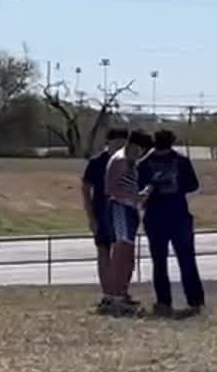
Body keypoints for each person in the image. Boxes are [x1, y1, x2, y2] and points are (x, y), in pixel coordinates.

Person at [137, 128, 204, 317]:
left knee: (159, 262)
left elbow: (138, 188)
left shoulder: (144, 163)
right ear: (172, 142)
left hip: (155, 217)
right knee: (187, 260)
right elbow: (193, 185)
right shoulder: (182, 161)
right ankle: (195, 301)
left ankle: (164, 302)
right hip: (178, 216)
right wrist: (176, 186)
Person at [101, 128, 155, 315]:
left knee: (128, 253)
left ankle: (121, 293)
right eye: (143, 150)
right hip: (120, 208)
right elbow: (112, 189)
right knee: (121, 251)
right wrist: (138, 197)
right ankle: (114, 296)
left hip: (129, 209)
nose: (143, 155)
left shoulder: (129, 162)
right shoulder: (121, 161)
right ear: (134, 146)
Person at [80, 128, 129, 312]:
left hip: (123, 214)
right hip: (102, 213)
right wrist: (90, 217)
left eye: (123, 142)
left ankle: (121, 293)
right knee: (104, 252)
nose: (120, 146)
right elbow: (85, 189)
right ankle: (107, 294)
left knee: (122, 254)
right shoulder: (96, 162)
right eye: (116, 142)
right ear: (108, 142)